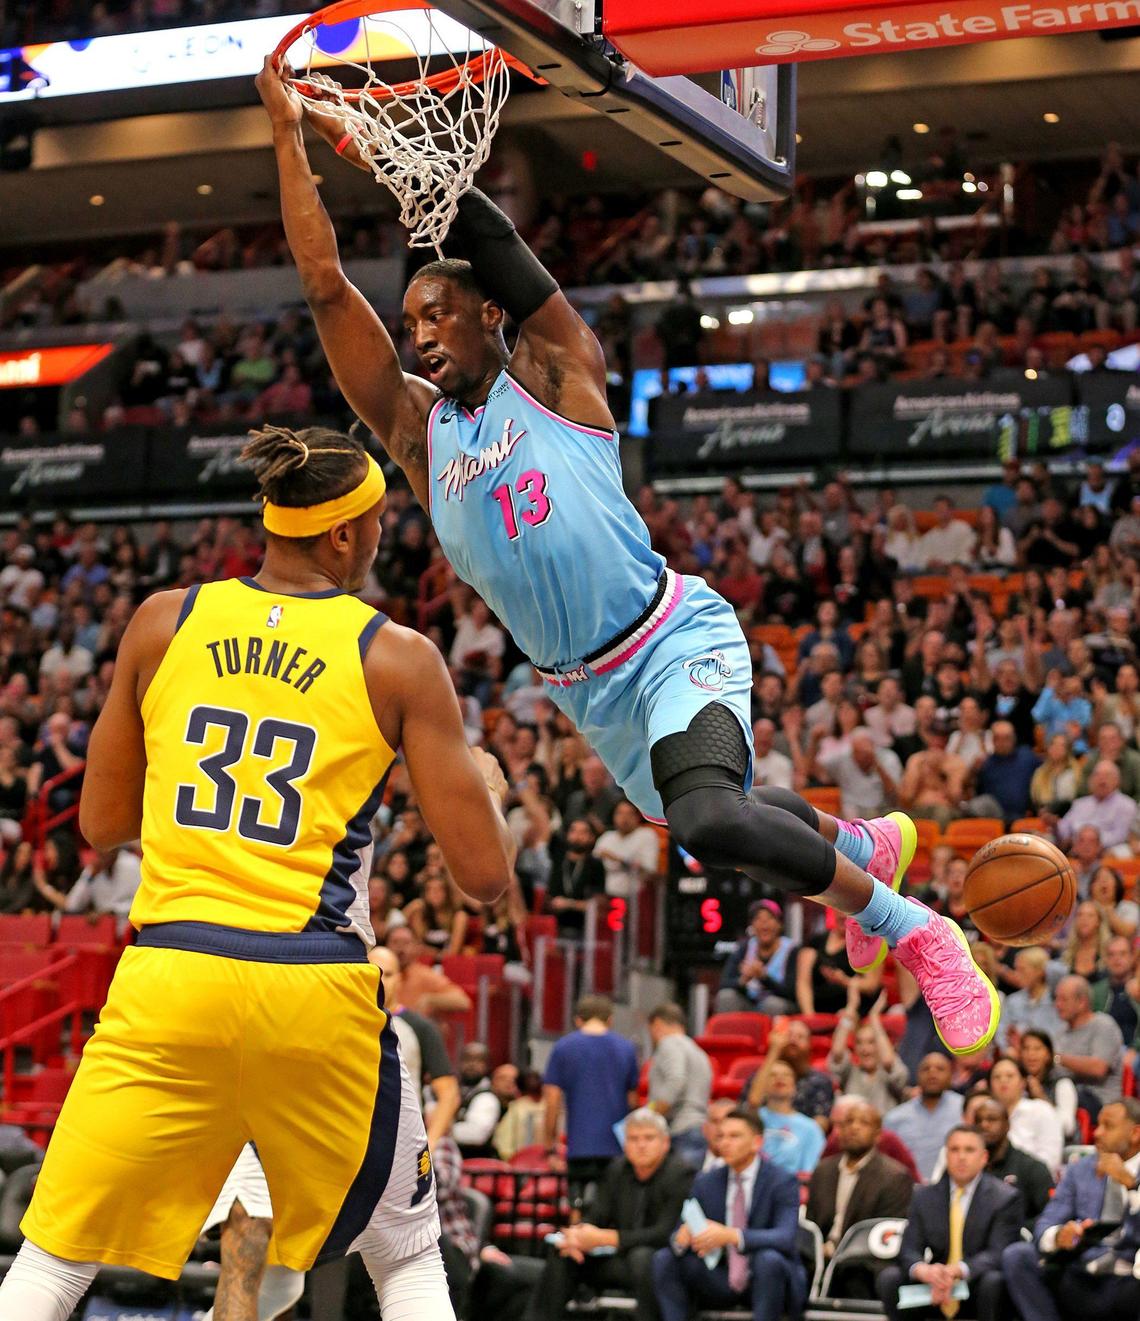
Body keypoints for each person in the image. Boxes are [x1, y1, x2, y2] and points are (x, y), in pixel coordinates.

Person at [257, 57, 998, 1059]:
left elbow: (513, 259)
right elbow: (323, 289)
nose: (422, 335)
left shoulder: (561, 377)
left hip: (666, 635)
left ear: (489, 319)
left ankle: (916, 931)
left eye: (441, 314)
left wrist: (420, 173)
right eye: (413, 322)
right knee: (719, 812)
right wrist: (291, 138)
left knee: (704, 815)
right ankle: (855, 842)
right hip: (587, 691)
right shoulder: (419, 435)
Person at [0, 423, 517, 1321]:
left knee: (52, 1256)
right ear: (348, 533)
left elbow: (102, 823)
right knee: (405, 1250)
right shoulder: (395, 654)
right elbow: (483, 877)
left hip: (172, 972)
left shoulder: (165, 618)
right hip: (309, 983)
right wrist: (495, 794)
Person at [533, 1108, 691, 1321]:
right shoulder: (617, 1169)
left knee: (642, 1256)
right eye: (634, 1139)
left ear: (665, 1143)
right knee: (562, 1250)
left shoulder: (681, 1173)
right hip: (616, 1259)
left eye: (649, 1138)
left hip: (659, 1261)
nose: (641, 1145)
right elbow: (596, 1214)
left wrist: (608, 1238)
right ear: (625, 1145)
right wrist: (577, 1236)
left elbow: (665, 1233)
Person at [652, 1107, 806, 1321]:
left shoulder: (782, 1181)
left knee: (768, 1260)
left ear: (757, 1142)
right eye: (721, 1136)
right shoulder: (706, 1181)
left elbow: (785, 1237)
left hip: (767, 1279)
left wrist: (731, 1235)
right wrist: (682, 1237)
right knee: (664, 1259)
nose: (724, 1142)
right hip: (719, 1276)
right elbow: (676, 1232)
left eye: (734, 1136)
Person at [1002, 1098, 1140, 1321]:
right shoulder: (1080, 1169)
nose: (1097, 1133)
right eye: (1097, 1125)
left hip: (1128, 1275)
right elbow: (1046, 1222)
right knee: (1017, 1255)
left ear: (1135, 1134)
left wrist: (1132, 1187)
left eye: (1109, 1126)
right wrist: (1059, 1236)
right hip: (1081, 1270)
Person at [876, 1124, 1021, 1321]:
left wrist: (957, 1271)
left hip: (974, 1285)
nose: (961, 1157)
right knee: (890, 1278)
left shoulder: (1005, 1198)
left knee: (994, 1281)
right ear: (946, 1155)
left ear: (984, 1157)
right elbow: (908, 1249)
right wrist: (924, 1271)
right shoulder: (924, 1196)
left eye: (969, 1150)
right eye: (954, 1149)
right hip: (934, 1288)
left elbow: (998, 1253)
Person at [806, 1100, 913, 1292]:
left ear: (878, 1134)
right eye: (847, 1122)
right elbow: (811, 1222)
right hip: (820, 1254)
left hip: (865, 1259)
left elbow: (884, 1232)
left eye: (864, 1123)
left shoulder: (895, 1176)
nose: (854, 1128)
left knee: (856, 1275)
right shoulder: (823, 1170)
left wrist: (838, 1249)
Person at [542, 995, 640, 1201]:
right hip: (618, 1146)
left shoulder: (563, 1047)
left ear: (578, 1020)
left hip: (579, 1145)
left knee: (577, 1208)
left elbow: (552, 1100)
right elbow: (633, 1101)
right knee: (614, 1208)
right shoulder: (627, 1049)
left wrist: (549, 1145)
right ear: (610, 1019)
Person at [970, 1097, 1053, 1232]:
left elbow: (1051, 1214)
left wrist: (1017, 1230)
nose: (984, 1125)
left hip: (1018, 1244)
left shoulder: (1032, 1167)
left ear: (1007, 1125)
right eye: (978, 1121)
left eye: (992, 1119)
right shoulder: (967, 1168)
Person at [646, 1003, 714, 1169]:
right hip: (697, 1126)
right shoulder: (698, 1051)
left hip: (681, 1128)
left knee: (680, 1188)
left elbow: (676, 1080)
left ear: (658, 1024)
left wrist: (652, 1114)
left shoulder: (669, 1044)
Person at [826, 987, 910, 1114]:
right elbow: (837, 1052)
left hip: (885, 1131)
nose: (865, 1049)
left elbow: (888, 1061)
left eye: (871, 1042)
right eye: (859, 1042)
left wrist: (874, 1019)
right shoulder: (850, 1072)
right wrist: (851, 1008)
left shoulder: (888, 1072)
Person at [883, 1053, 965, 1182]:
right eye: (926, 1069)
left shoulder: (964, 1109)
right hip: (908, 1190)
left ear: (951, 1075)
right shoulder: (895, 1118)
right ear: (917, 1076)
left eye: (940, 1069)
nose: (932, 1073)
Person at [1054, 974, 1126, 1120]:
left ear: (1082, 1002)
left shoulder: (1103, 1025)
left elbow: (1098, 1068)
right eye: (1056, 999)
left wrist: (1056, 1058)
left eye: (1064, 999)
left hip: (1099, 1101)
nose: (1058, 1005)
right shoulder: (1060, 1033)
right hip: (1065, 1094)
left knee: (1063, 1090)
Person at [744, 1020, 835, 1130]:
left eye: (800, 1037)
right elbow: (752, 1104)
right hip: (762, 1135)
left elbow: (821, 1124)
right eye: (788, 1035)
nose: (793, 1040)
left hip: (802, 1139)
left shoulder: (820, 1081)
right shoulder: (762, 1076)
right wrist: (774, 1049)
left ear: (809, 1045)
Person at [714, 899, 798, 1016]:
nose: (764, 924)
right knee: (726, 996)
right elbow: (724, 983)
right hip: (751, 1004)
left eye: (769, 918)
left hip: (779, 1005)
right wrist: (742, 981)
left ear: (779, 924)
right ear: (752, 925)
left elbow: (793, 992)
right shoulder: (744, 948)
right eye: (758, 919)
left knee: (772, 1004)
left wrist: (764, 978)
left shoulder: (792, 950)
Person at [988, 1056, 1064, 1177]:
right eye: (997, 1077)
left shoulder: (1041, 1110)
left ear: (1023, 1082)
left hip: (1034, 1181)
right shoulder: (985, 1116)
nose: (1003, 1080)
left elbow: (1052, 1158)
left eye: (1010, 1076)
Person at [752, 1059, 826, 1176]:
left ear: (794, 1087)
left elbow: (809, 1172)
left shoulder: (810, 1128)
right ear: (763, 1086)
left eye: (786, 1075)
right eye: (772, 1075)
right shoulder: (752, 1119)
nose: (779, 1078)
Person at [384, 924, 473, 1018]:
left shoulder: (424, 975)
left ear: (416, 947)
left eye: (406, 943)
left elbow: (463, 1002)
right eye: (395, 942)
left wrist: (431, 1000)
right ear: (385, 946)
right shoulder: (377, 974)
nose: (400, 948)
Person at [452, 1043, 506, 1160]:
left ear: (487, 1066)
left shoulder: (487, 1097)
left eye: (478, 1060)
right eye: (467, 1059)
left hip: (477, 1168)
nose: (471, 1064)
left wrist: (441, 1129)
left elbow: (477, 1134)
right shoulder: (453, 1089)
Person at [1092, 935, 1140, 1054]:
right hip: (1104, 1054)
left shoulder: (1138, 988)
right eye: (1111, 954)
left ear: (1132, 957)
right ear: (1105, 959)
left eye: (1122, 954)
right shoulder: (1096, 991)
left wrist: (1136, 1049)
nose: (1117, 959)